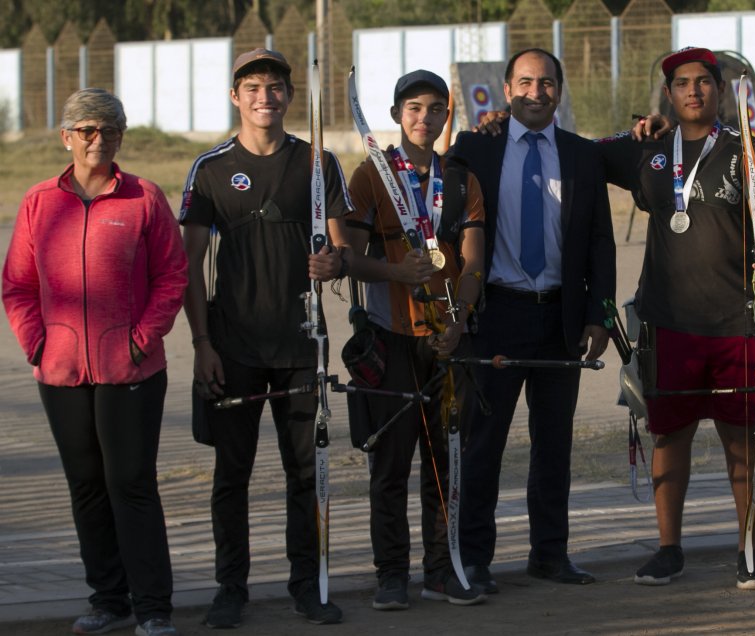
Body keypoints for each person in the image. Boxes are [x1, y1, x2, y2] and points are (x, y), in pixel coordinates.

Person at [598, 47, 755, 589]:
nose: (694, 92)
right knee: (669, 437)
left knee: (742, 439)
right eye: (682, 83)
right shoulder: (648, 148)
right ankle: (667, 548)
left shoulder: (749, 150)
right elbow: (572, 153)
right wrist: (495, 126)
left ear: (720, 90)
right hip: (667, 323)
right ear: (668, 93)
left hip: (736, 321)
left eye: (704, 82)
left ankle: (749, 549)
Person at [2, 88, 186, 636]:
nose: (97, 139)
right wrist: (37, 344)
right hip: (59, 371)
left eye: (108, 130)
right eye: (86, 130)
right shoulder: (39, 201)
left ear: (120, 137)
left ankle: (153, 607)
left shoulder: (144, 199)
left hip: (131, 370)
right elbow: (17, 284)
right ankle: (109, 601)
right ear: (66, 137)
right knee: (85, 484)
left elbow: (173, 277)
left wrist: (140, 339)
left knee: (131, 483)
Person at [179, 48, 351, 627]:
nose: (264, 97)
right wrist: (202, 344)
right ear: (235, 96)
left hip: (303, 344)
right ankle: (231, 587)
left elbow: (341, 246)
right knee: (233, 474)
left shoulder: (317, 162)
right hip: (233, 346)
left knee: (307, 472)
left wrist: (336, 262)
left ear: (288, 96)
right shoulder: (210, 168)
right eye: (252, 87)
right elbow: (192, 264)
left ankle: (308, 583)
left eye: (275, 86)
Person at [446, 48, 616, 592]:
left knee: (554, 445)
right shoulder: (475, 148)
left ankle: (550, 553)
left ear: (559, 92)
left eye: (546, 84)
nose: (535, 93)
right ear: (506, 90)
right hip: (495, 314)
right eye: (524, 83)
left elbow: (600, 244)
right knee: (483, 443)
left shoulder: (581, 155)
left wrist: (599, 316)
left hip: (561, 319)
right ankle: (472, 558)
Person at [331, 70, 487, 609]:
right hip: (389, 336)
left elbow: (472, 262)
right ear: (398, 115)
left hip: (447, 339)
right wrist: (396, 274)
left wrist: (461, 320)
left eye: (436, 109)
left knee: (447, 464)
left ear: (449, 116)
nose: (425, 118)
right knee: (391, 464)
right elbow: (346, 256)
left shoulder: (462, 181)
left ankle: (441, 571)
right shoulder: (371, 177)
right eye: (414, 108)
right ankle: (391, 574)